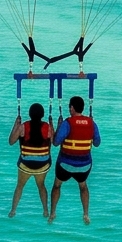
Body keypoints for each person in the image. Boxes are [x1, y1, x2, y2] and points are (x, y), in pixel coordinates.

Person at [48, 94, 98, 224]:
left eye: (69, 107)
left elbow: (56, 143)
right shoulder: (91, 123)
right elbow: (97, 143)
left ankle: (52, 212)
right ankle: (86, 214)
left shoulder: (67, 123)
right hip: (84, 166)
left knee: (57, 186)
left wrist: (57, 128)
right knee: (83, 186)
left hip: (65, 165)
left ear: (72, 108)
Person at [8, 102, 55, 217]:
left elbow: (11, 141)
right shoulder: (47, 127)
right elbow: (54, 142)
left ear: (30, 114)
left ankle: (13, 210)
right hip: (43, 165)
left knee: (20, 186)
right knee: (41, 186)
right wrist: (52, 125)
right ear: (42, 115)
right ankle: (45, 210)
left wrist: (16, 124)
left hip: (25, 165)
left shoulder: (23, 127)